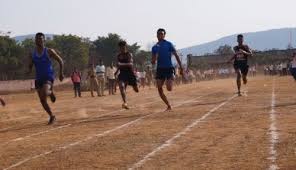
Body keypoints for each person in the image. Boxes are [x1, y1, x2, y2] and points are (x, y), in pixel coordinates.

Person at [28, 32, 64, 125]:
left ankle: (51, 93)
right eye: (37, 39)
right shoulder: (33, 53)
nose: (39, 40)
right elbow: (30, 65)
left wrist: (61, 73)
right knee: (42, 100)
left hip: (48, 77)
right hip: (38, 79)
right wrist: (29, 68)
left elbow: (60, 61)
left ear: (44, 40)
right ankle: (52, 116)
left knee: (44, 93)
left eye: (40, 38)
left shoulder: (49, 51)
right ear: (35, 40)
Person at [152, 28, 183, 111]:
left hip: (168, 68)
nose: (160, 35)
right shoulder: (154, 47)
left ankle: (172, 77)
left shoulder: (169, 44)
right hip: (160, 69)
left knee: (169, 88)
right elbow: (153, 61)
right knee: (159, 87)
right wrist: (155, 57)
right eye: (159, 34)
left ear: (164, 35)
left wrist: (181, 67)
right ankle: (168, 105)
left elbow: (176, 55)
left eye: (162, 34)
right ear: (157, 35)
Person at [115, 41, 139, 109]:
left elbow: (131, 64)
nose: (122, 48)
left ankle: (133, 84)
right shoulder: (118, 55)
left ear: (126, 47)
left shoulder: (129, 54)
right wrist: (116, 71)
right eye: (121, 47)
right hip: (122, 73)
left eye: (123, 47)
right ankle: (125, 102)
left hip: (130, 73)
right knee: (121, 87)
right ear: (119, 48)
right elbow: (118, 65)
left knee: (136, 90)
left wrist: (121, 64)